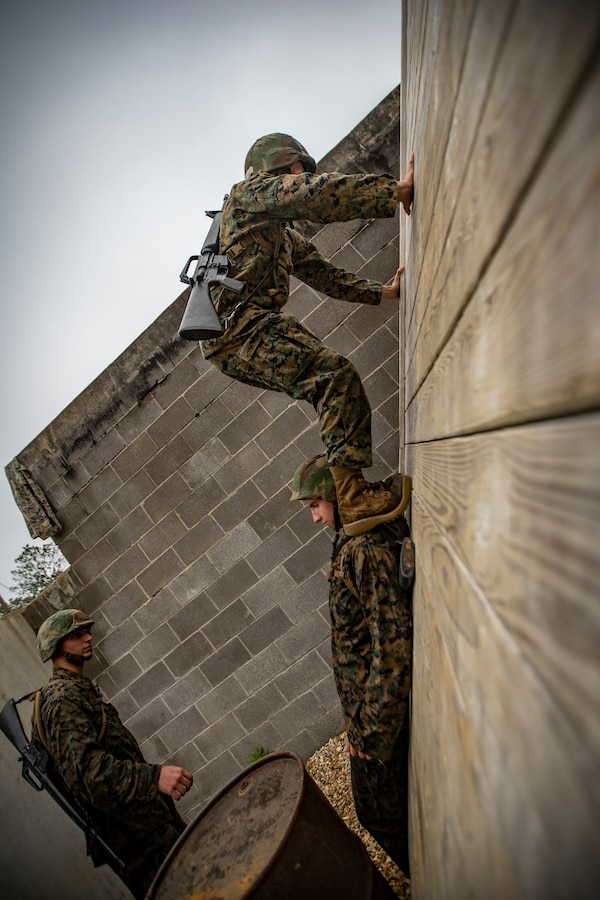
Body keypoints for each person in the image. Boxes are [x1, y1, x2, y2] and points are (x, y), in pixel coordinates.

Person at [200, 133, 415, 536]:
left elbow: (323, 275)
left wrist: (382, 292)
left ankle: (353, 499)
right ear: (277, 167)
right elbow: (317, 195)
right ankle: (353, 500)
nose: (301, 176)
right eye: (297, 169)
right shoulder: (249, 196)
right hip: (240, 331)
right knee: (334, 378)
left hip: (243, 334)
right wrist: (393, 192)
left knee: (331, 380)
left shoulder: (280, 236)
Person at [291, 455, 413, 875]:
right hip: (368, 718)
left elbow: (393, 647)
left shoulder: (363, 550)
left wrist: (368, 735)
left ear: (335, 496)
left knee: (379, 814)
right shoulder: (351, 540)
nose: (314, 518)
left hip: (380, 726)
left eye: (314, 506)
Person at [32, 608, 193, 899]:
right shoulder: (61, 700)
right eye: (77, 634)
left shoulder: (76, 691)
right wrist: (153, 777)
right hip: (140, 845)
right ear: (56, 646)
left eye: (87, 631)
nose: (88, 638)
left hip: (150, 830)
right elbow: (88, 775)